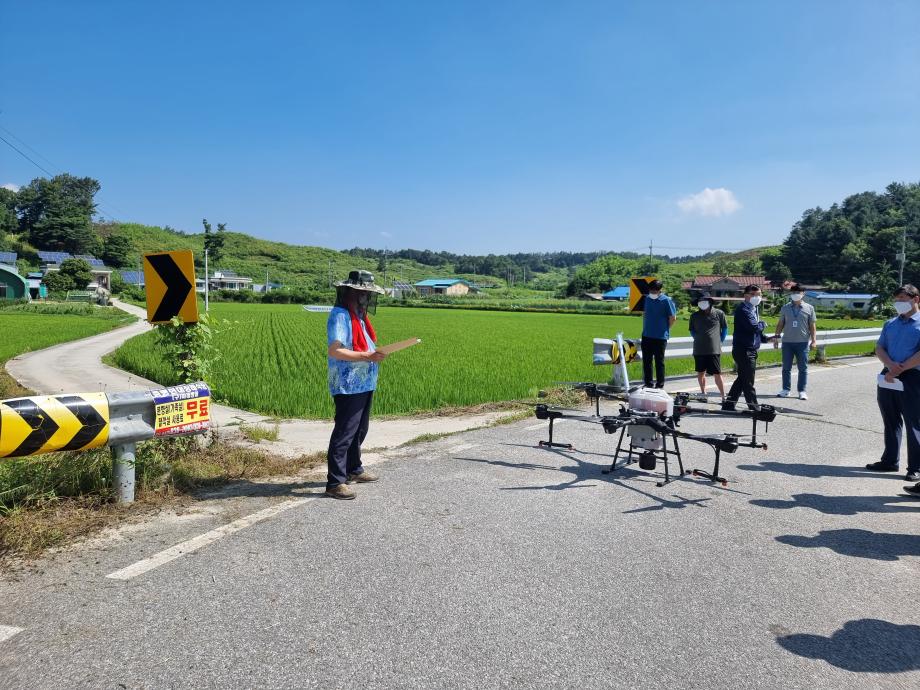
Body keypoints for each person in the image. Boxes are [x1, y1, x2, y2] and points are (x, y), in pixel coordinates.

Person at [325, 270, 388, 500]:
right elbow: (335, 350)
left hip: (364, 382)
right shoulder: (340, 316)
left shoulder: (359, 317)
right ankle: (335, 482)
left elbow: (364, 347)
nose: (367, 298)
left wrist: (373, 355)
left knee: (360, 430)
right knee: (345, 432)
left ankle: (354, 469)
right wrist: (367, 356)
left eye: (368, 294)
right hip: (347, 383)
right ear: (352, 293)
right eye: (363, 294)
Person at [865, 284, 920, 486]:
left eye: (903, 299)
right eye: (896, 300)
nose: (899, 303)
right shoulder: (890, 323)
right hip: (888, 375)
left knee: (914, 423)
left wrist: (899, 368)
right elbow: (880, 348)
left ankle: (915, 468)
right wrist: (890, 366)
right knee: (890, 420)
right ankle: (889, 461)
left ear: (916, 299)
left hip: (913, 376)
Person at [722, 285, 771, 411]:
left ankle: (728, 405)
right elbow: (754, 327)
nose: (757, 297)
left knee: (742, 378)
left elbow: (754, 332)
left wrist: (765, 338)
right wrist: (762, 324)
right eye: (753, 294)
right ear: (745, 295)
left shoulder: (754, 309)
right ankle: (754, 408)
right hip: (744, 350)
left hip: (749, 349)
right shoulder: (743, 310)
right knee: (748, 380)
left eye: (759, 294)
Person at [773, 283, 817, 400]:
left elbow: (812, 326)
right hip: (787, 342)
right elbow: (780, 324)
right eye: (793, 292)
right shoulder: (785, 308)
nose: (795, 294)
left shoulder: (809, 308)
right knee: (786, 368)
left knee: (803, 368)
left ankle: (802, 391)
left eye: (798, 292)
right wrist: (776, 337)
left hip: (802, 342)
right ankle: (786, 390)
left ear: (803, 294)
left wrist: (813, 341)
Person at [688, 292, 728, 400]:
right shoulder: (694, 316)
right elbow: (692, 330)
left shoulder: (719, 313)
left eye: (704, 301)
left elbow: (724, 329)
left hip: (714, 349)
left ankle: (723, 396)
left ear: (710, 302)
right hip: (699, 349)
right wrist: (698, 338)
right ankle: (703, 393)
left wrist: (720, 341)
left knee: (717, 373)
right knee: (701, 372)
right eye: (700, 301)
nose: (702, 303)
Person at [640, 279, 677, 389]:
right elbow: (645, 314)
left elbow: (673, 318)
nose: (652, 293)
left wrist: (665, 329)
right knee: (646, 361)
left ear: (660, 290)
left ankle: (660, 385)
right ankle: (648, 383)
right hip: (646, 335)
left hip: (660, 337)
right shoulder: (647, 299)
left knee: (659, 362)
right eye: (651, 290)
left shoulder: (666, 300)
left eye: (654, 291)